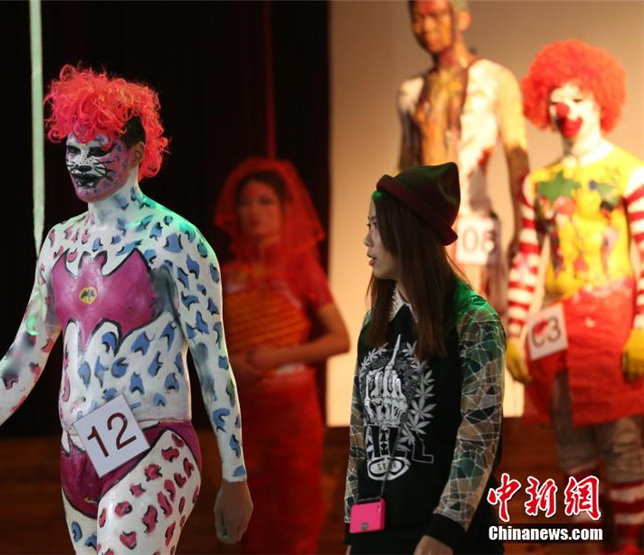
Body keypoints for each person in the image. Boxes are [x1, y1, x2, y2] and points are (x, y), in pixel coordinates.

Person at [0, 66, 253, 554]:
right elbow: (26, 352)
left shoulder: (176, 241)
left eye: (98, 150)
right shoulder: (60, 241)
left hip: (155, 441)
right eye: (72, 151)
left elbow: (213, 362)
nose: (81, 164)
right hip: (79, 451)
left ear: (137, 154)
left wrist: (235, 474)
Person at [507, 39, 644, 552]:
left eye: (578, 98)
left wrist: (641, 328)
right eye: (556, 99)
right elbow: (526, 260)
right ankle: (590, 548)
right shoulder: (538, 185)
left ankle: (628, 547)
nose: (565, 109)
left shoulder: (629, 173)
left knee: (624, 442)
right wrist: (514, 333)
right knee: (572, 446)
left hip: (613, 326)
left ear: (601, 101)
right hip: (558, 329)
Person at [344, 162, 505, 554]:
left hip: (447, 536)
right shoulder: (375, 322)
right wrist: (353, 530)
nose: (366, 239)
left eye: (376, 226)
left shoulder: (473, 320)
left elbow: (479, 436)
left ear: (407, 231)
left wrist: (444, 530)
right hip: (376, 533)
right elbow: (360, 437)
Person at [214, 158, 350, 553]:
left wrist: (275, 356)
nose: (254, 211)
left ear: (283, 210)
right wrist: (231, 364)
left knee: (296, 510)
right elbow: (206, 343)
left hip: (293, 408)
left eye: (265, 201)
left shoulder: (301, 269)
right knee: (250, 517)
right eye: (245, 203)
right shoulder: (227, 273)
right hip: (244, 409)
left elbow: (340, 339)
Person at [398, 0, 530, 313]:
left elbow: (518, 162)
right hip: (424, 233)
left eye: (436, 16)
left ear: (462, 18)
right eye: (418, 18)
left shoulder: (494, 81)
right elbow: (406, 166)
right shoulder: (410, 92)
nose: (427, 27)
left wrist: (524, 231)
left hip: (475, 226)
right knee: (427, 322)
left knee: (477, 319)